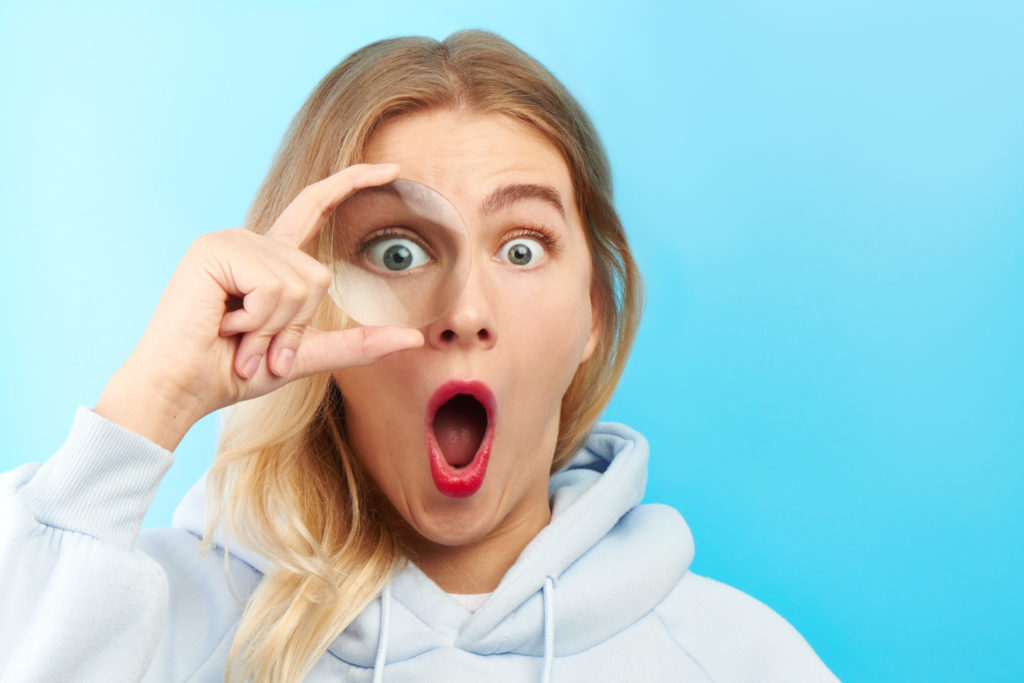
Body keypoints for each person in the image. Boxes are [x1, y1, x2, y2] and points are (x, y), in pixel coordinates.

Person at [0, 30, 838, 682]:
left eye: (521, 249)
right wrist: (152, 398)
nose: (465, 312)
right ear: (310, 296)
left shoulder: (733, 656)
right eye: (397, 253)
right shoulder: (157, 622)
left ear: (593, 314)